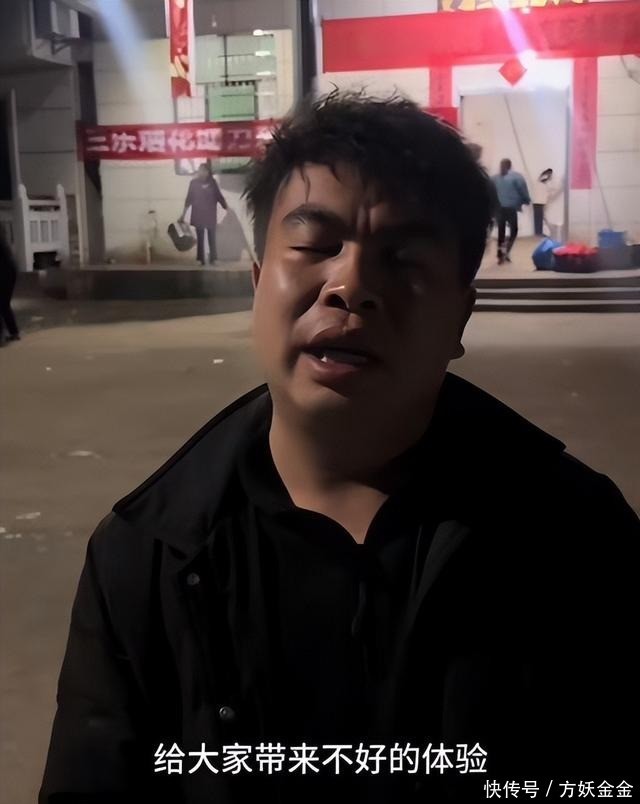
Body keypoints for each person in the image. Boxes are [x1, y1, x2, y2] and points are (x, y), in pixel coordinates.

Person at [41, 92, 638, 804]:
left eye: (403, 258)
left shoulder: (578, 534)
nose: (351, 286)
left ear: (460, 316)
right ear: (258, 286)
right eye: (315, 247)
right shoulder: (146, 557)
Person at [180, 162, 228, 265]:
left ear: (208, 172)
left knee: (212, 236)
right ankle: (201, 259)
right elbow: (188, 199)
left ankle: (213, 259)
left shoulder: (212, 182)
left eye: (204, 170)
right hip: (198, 213)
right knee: (200, 237)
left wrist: (225, 207)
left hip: (210, 213)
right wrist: (183, 215)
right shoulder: (193, 183)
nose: (202, 172)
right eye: (201, 170)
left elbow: (219, 196)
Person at [491, 158, 530, 264]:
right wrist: (526, 200)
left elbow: (489, 192)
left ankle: (500, 254)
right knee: (514, 231)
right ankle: (507, 251)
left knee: (501, 231)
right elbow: (523, 191)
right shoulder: (517, 177)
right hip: (511, 208)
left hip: (499, 208)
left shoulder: (494, 178)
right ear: (510, 166)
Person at [0, 228, 20, 345]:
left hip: (5, 273)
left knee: (1, 304)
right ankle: (14, 332)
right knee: (4, 304)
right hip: (9, 271)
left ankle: (2, 337)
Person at [532, 168, 562, 238]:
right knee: (539, 219)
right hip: (539, 202)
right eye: (550, 175)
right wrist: (560, 187)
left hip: (537, 202)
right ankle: (538, 233)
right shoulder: (545, 182)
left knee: (539, 219)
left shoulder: (540, 181)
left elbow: (550, 191)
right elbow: (552, 190)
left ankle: (538, 233)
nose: (551, 177)